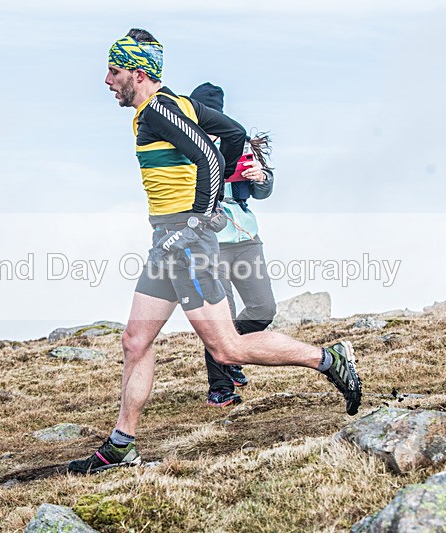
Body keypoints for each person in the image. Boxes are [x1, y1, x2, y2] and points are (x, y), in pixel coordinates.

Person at [67, 29, 362, 474]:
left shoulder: (160, 109)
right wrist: (210, 192)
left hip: (186, 242)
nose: (107, 80)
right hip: (167, 241)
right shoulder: (177, 105)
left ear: (139, 72)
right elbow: (235, 133)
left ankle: (327, 359)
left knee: (226, 348)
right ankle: (121, 446)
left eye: (114, 70)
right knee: (135, 340)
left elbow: (206, 152)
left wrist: (199, 216)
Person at [189, 82, 276, 407]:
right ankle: (220, 388)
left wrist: (261, 177)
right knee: (221, 316)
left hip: (246, 240)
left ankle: (230, 351)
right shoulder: (183, 146)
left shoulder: (239, 143)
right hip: (206, 244)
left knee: (263, 310)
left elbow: (262, 193)